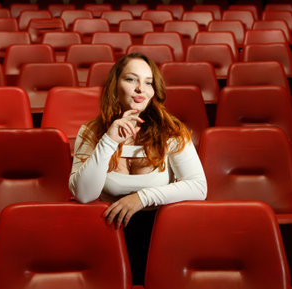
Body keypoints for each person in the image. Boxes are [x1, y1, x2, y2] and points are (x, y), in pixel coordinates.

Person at [69, 52, 207, 284]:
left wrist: (141, 198)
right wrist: (110, 140)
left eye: (148, 82)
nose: (141, 89)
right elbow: (83, 194)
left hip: (160, 234)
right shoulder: (90, 132)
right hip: (106, 233)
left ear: (154, 90)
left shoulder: (172, 131)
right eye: (131, 79)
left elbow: (198, 187)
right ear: (115, 85)